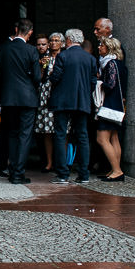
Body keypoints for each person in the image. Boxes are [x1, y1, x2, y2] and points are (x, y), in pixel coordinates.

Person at [0, 18, 41, 185]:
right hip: (28, 98)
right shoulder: (32, 50)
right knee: (24, 135)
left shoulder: (3, 49)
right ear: (30, 32)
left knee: (11, 134)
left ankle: (12, 172)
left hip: (9, 98)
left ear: (16, 29)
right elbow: (37, 77)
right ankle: (18, 173)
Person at [49, 28, 97, 184]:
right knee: (83, 136)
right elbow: (93, 82)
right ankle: (84, 174)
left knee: (60, 135)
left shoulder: (63, 56)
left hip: (62, 101)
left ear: (68, 40)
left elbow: (55, 78)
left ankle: (63, 174)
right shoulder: (89, 58)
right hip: (82, 101)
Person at [95, 36, 126, 182]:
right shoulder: (120, 63)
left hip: (109, 105)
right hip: (117, 105)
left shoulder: (110, 63)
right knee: (114, 138)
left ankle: (117, 170)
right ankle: (115, 169)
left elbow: (110, 85)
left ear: (109, 47)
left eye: (102, 45)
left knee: (101, 139)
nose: (99, 47)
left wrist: (99, 81)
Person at [34, 33, 60, 172]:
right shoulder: (39, 57)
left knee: (58, 131)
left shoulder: (60, 57)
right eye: (39, 44)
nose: (41, 47)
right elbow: (38, 78)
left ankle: (59, 161)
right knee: (45, 130)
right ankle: (48, 161)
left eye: (44, 44)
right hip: (43, 96)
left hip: (56, 95)